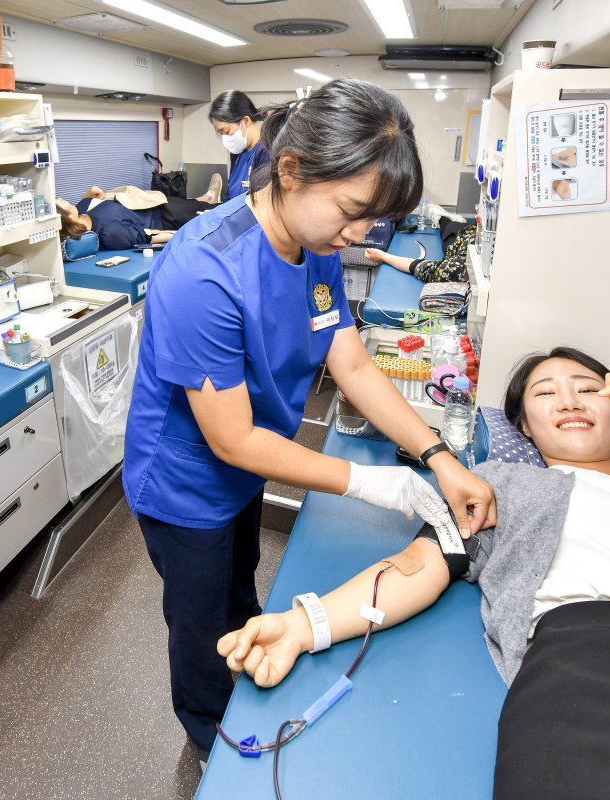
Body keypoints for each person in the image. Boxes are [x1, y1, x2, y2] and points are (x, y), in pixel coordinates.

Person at [219, 346, 610, 798]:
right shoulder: (504, 484)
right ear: (523, 425)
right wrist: (304, 624)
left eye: (588, 389)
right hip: (590, 669)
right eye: (547, 393)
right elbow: (420, 563)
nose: (571, 401)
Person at [123, 78, 496, 763]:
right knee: (199, 618)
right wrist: (370, 484)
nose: (360, 235)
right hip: (187, 480)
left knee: (241, 582)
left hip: (250, 464)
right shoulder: (203, 271)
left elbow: (350, 365)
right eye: (354, 211)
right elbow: (230, 439)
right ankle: (208, 736)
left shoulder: (316, 243)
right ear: (290, 171)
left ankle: (247, 652)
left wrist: (435, 455)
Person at [56, 179, 223, 250]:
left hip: (148, 201)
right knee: (216, 211)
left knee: (194, 203)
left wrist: (89, 193)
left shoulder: (81, 210)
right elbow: (149, 237)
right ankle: (211, 199)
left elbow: (89, 201)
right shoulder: (110, 233)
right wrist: (190, 229)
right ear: (70, 220)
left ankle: (205, 198)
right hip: (164, 217)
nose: (61, 199)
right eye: (60, 204)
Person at [363, 217, 476, 283]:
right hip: (469, 233)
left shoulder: (457, 269)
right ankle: (441, 217)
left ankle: (441, 218)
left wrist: (383, 256)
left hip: (461, 237)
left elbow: (418, 267)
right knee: (446, 223)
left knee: (448, 225)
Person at [209, 90, 270, 201]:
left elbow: (262, 203)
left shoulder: (266, 152)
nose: (225, 138)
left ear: (245, 121)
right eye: (221, 134)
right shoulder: (237, 152)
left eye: (226, 131)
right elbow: (230, 194)